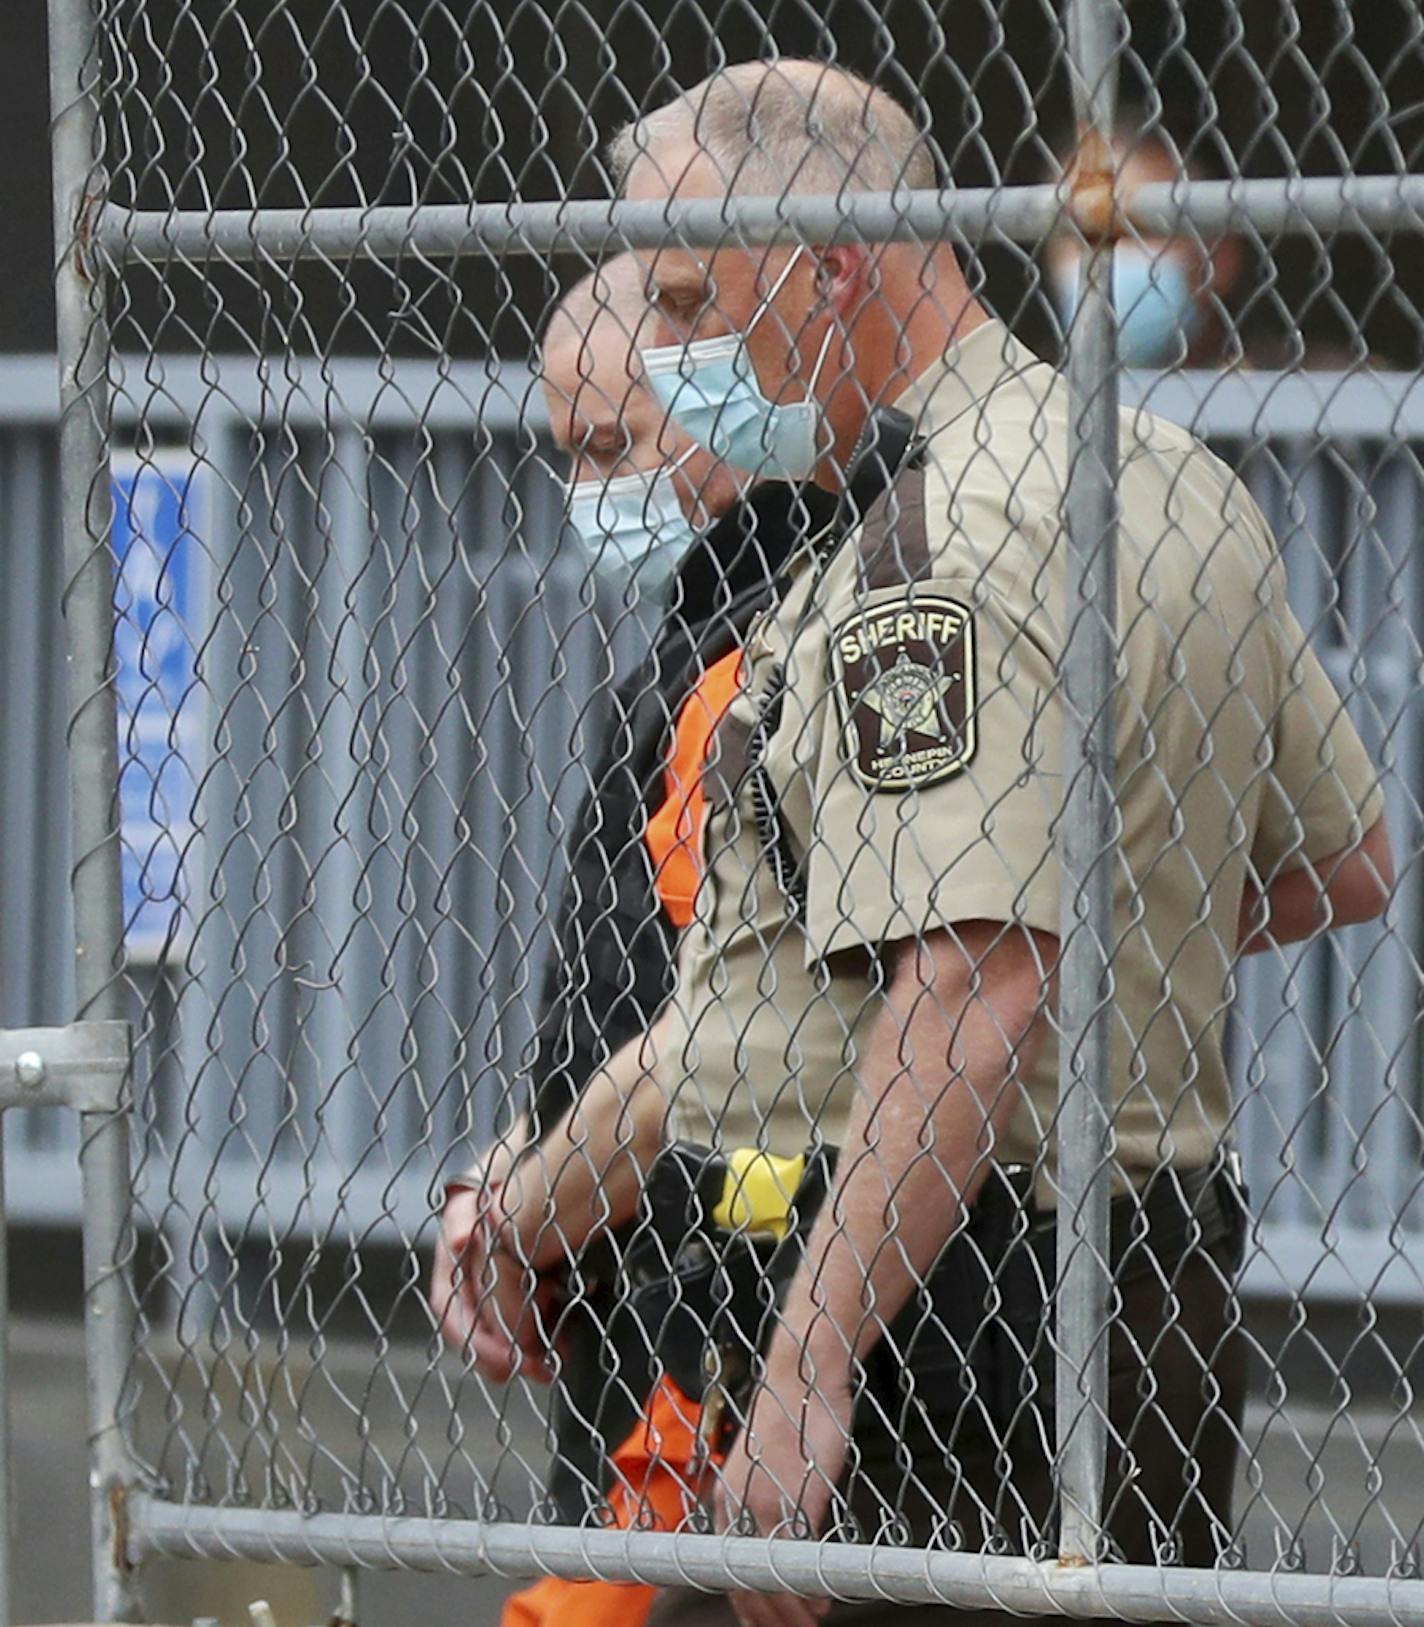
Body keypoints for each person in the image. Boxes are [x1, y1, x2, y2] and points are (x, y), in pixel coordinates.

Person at [458, 62, 1393, 1627]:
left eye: (693, 300)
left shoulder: (925, 542)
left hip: (936, 1309)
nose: (676, 356)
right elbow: (1343, 855)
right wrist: (1101, 931)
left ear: (833, 266)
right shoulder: (1165, 477)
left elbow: (971, 976)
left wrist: (809, 1364)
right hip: (1143, 1268)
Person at [1044, 114, 1244, 371]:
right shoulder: (1029, 398)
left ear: (1219, 258)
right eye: (1083, 236)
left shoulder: (1278, 391)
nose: (1105, 257)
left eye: (1138, 232)